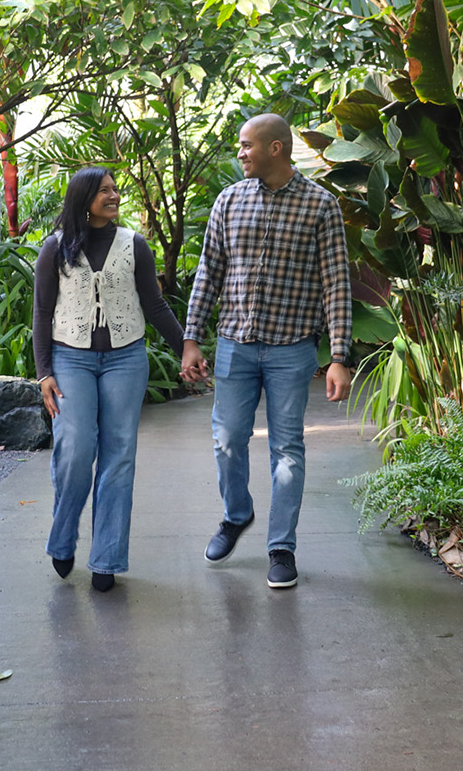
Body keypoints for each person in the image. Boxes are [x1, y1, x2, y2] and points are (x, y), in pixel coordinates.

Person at [180, 113, 352, 589]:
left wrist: (339, 355)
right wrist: (191, 340)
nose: (240, 153)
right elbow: (208, 274)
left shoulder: (321, 206)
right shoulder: (229, 201)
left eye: (246, 145)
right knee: (227, 439)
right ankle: (237, 514)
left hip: (292, 349)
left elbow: (335, 283)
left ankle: (282, 548)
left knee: (287, 450)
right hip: (235, 344)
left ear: (276, 148)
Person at [33, 166, 185, 592]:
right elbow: (42, 314)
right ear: (84, 199)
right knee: (76, 449)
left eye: (115, 190)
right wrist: (44, 371)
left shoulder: (134, 245)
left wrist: (185, 347)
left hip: (126, 359)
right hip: (70, 359)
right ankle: (63, 539)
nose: (114, 196)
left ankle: (106, 558)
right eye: (105, 191)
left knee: (119, 457)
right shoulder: (55, 248)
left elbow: (154, 306)